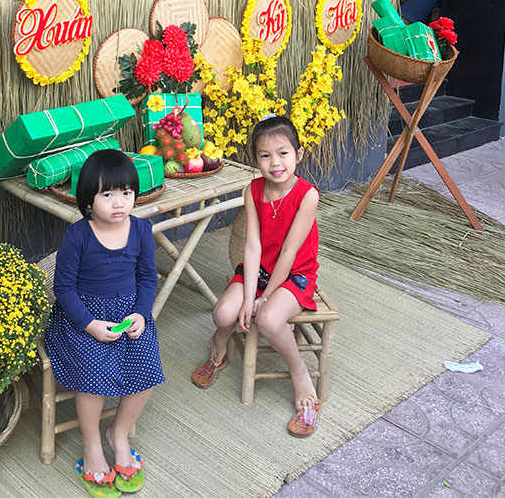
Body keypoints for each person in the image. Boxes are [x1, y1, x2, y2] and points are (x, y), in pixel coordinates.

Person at [191, 115, 321, 437]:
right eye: (265, 155)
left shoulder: (307, 195)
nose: (275, 163)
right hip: (260, 270)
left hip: (295, 274)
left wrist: (262, 300)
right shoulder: (254, 189)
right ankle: (219, 346)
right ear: (255, 160)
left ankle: (299, 371)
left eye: (283, 153)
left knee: (269, 321)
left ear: (299, 154)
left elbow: (289, 253)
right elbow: (252, 245)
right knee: (223, 313)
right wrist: (249, 296)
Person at [46, 150, 164, 494]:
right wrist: (89, 324)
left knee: (147, 370)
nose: (119, 203)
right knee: (93, 376)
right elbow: (63, 287)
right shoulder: (79, 235)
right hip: (82, 317)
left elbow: (148, 277)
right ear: (88, 199)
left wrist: (141, 313)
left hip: (129, 313)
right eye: (107, 194)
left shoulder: (141, 229)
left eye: (126, 193)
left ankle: (119, 433)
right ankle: (92, 444)